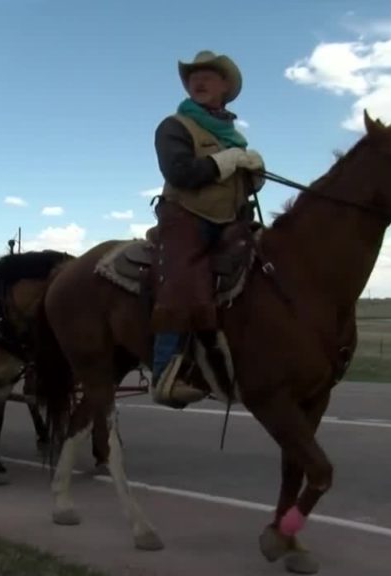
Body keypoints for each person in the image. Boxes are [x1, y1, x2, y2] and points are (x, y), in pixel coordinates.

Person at [149, 50, 266, 408]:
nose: (198, 82)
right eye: (193, 77)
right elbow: (179, 173)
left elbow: (236, 185)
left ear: (225, 87)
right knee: (185, 279)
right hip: (185, 215)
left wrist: (254, 175)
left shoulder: (232, 135)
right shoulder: (174, 126)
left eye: (209, 77)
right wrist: (225, 161)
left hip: (231, 219)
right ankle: (165, 374)